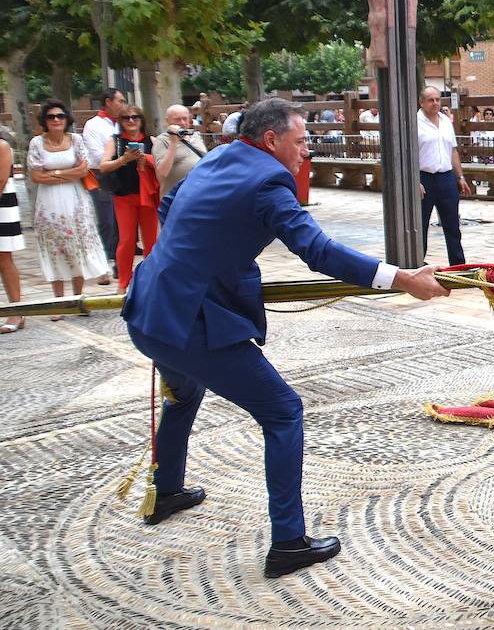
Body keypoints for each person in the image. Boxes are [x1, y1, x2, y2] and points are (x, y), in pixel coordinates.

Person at [122, 98, 449, 577]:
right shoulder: (269, 180)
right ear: (272, 140)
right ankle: (289, 542)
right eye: (300, 141)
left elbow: (171, 205)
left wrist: (203, 259)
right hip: (188, 322)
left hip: (147, 305)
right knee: (282, 410)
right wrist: (400, 278)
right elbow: (317, 250)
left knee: (185, 393)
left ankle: (167, 489)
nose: (305, 151)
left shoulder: (219, 156)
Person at [27, 100, 109, 311]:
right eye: (51, 117)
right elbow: (36, 175)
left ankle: (78, 297)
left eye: (60, 116)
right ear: (44, 121)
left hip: (76, 199)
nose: (56, 120)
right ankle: (58, 300)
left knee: (77, 245)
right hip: (49, 202)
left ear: (66, 119)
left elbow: (83, 170)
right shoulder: (37, 143)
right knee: (55, 247)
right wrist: (66, 173)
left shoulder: (76, 140)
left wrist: (53, 173)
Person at [99, 105, 161, 292]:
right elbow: (103, 166)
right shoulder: (116, 141)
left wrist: (146, 159)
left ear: (141, 120)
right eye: (126, 118)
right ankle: (123, 283)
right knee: (126, 240)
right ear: (121, 122)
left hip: (148, 195)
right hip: (124, 196)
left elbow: (163, 165)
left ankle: (151, 281)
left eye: (135, 117)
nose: (131, 121)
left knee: (151, 241)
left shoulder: (152, 140)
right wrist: (123, 160)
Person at [417, 86, 472, 266]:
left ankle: (458, 265)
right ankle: (418, 262)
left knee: (452, 225)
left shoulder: (446, 121)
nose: (435, 104)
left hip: (446, 177)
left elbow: (453, 150)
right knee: (422, 223)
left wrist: (460, 177)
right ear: (422, 102)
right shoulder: (414, 122)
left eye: (438, 100)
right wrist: (414, 181)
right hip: (424, 177)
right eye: (431, 100)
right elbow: (409, 154)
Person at [82, 87, 125, 283]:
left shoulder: (122, 124)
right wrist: (121, 158)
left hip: (120, 175)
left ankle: (119, 263)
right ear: (108, 102)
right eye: (120, 101)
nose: (122, 105)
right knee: (105, 220)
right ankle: (103, 267)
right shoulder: (94, 125)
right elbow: (98, 155)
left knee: (119, 221)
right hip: (101, 176)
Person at [154, 104, 208, 193]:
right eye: (177, 120)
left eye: (185, 119)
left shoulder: (196, 136)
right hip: (175, 195)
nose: (182, 123)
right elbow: (162, 173)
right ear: (167, 121)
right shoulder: (162, 140)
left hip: (198, 192)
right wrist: (173, 143)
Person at [0, 137, 23, 333]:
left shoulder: (2, 146)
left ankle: (16, 310)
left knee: (4, 258)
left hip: (2, 205)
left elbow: (1, 180)